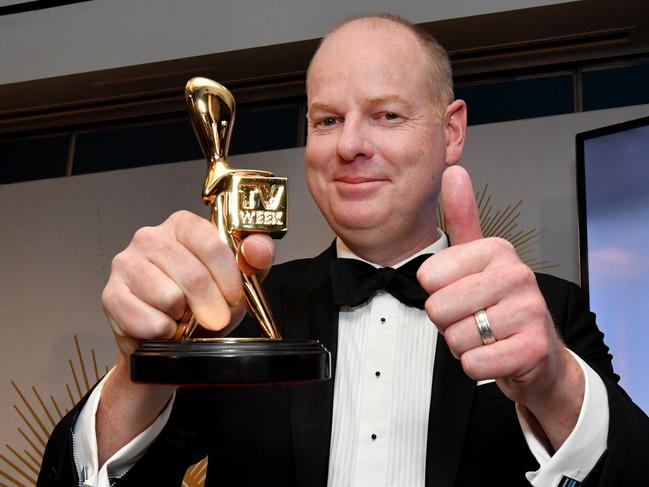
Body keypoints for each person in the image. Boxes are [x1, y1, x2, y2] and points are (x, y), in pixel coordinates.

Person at [38, 14, 648, 487]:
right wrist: (140, 367)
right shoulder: (238, 311)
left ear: (452, 130)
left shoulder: (549, 311)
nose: (349, 144)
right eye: (326, 120)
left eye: (386, 114)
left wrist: (553, 383)